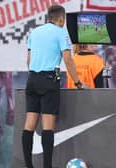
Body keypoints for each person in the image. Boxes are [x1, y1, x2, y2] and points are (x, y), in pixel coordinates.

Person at [22, 5, 88, 168]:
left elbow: (29, 60)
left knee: (29, 124)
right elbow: (68, 59)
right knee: (47, 126)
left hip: (32, 79)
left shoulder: (35, 32)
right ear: (61, 19)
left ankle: (28, 165)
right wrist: (78, 82)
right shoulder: (61, 32)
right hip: (48, 80)